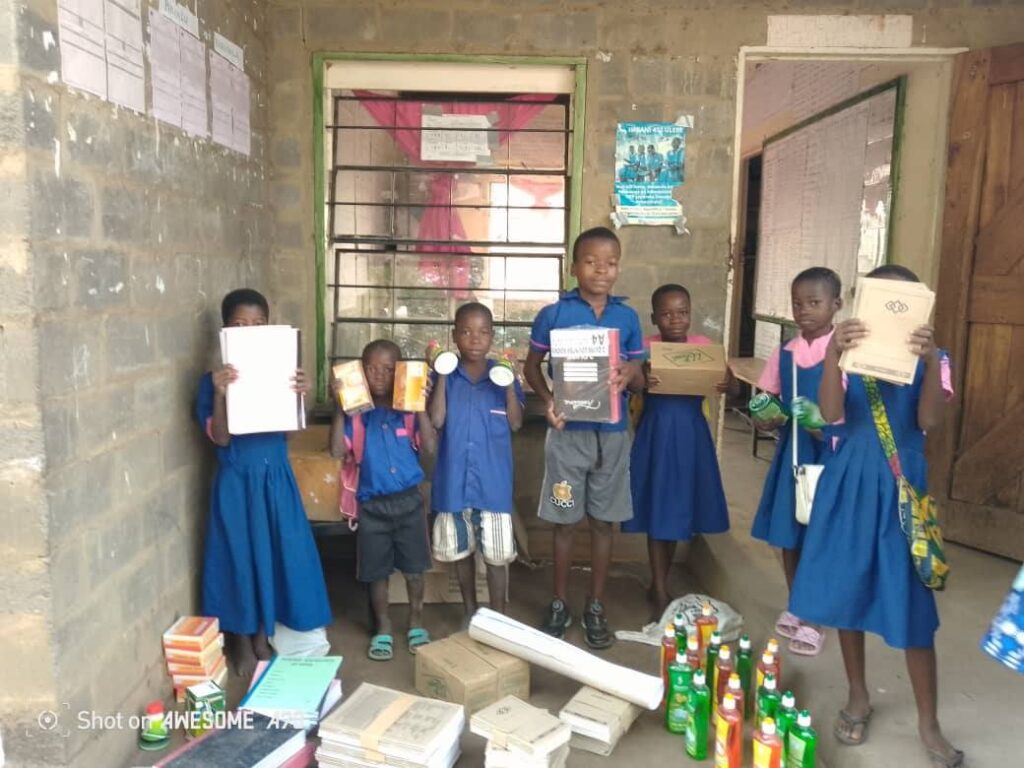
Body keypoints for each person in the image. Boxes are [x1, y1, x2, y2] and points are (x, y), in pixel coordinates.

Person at [789, 264, 962, 768]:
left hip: (902, 488)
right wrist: (833, 357)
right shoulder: (849, 353)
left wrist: (929, 359)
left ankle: (929, 724)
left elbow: (928, 420)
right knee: (850, 593)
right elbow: (828, 415)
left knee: (910, 606)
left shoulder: (935, 358)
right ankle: (858, 696)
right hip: (849, 483)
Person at [196, 289, 331, 677]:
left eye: (257, 324)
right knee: (239, 559)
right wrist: (222, 394)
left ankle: (266, 632)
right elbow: (220, 438)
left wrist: (299, 396)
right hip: (237, 482)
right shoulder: (211, 382)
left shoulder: (279, 372)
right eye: (239, 325)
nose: (249, 331)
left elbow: (289, 431)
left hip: (276, 480)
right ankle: (240, 639)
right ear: (225, 331)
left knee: (280, 556)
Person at [524, 226, 645, 649]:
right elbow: (531, 368)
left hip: (612, 436)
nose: (601, 271)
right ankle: (559, 602)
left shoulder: (626, 318)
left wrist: (631, 372)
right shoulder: (554, 314)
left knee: (604, 523)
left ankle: (596, 604)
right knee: (563, 521)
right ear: (573, 266)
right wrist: (548, 401)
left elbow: (640, 377)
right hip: (567, 436)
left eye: (610, 263)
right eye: (591, 262)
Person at [623, 284, 730, 619]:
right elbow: (630, 383)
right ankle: (658, 586)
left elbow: (731, 385)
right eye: (667, 313)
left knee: (677, 507)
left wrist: (728, 383)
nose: (675, 319)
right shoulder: (644, 349)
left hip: (690, 435)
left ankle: (661, 580)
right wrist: (642, 379)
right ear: (654, 318)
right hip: (656, 432)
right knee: (659, 509)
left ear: (690, 313)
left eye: (682, 312)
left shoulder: (704, 348)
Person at [750, 267, 842, 657]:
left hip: (834, 453)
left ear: (836, 305)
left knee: (821, 534)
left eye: (815, 303)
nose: (804, 310)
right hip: (794, 451)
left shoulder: (846, 349)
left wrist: (824, 425)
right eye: (798, 303)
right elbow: (765, 398)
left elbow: (859, 408)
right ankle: (798, 603)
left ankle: (815, 617)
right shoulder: (786, 352)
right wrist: (764, 413)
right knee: (791, 531)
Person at [329, 339, 436, 661]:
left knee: (415, 570)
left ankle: (416, 621)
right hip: (372, 507)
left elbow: (430, 448)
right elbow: (336, 451)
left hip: (409, 503)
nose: (379, 376)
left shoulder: (407, 412)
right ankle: (384, 628)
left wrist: (421, 407)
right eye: (371, 369)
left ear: (400, 372)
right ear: (360, 373)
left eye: (388, 369)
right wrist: (339, 406)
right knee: (376, 573)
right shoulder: (356, 418)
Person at [429, 302, 524, 619]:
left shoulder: (502, 375)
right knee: (460, 551)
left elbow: (516, 423)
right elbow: (438, 420)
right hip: (454, 482)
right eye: (466, 332)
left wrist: (509, 385)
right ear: (454, 336)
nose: (474, 339)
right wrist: (442, 374)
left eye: (483, 332)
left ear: (492, 337)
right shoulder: (446, 375)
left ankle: (497, 617)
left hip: (493, 484)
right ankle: (471, 611)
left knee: (497, 556)